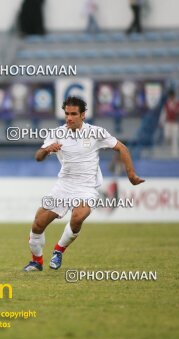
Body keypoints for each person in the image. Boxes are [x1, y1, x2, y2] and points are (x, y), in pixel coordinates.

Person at [23, 96, 144, 272]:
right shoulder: (56, 133)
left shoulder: (96, 132)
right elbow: (38, 157)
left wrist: (131, 174)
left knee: (78, 216)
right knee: (38, 225)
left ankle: (58, 250)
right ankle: (37, 261)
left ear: (83, 115)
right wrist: (46, 149)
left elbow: (122, 148)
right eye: (66, 114)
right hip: (63, 186)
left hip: (86, 188)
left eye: (73, 114)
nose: (69, 118)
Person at [159, 90, 179, 157]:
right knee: (167, 136)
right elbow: (163, 114)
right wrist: (161, 121)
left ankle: (175, 153)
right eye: (170, 97)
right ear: (169, 97)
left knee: (175, 137)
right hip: (168, 123)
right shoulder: (166, 105)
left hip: (175, 123)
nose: (171, 98)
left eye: (172, 96)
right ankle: (171, 143)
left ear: (174, 96)